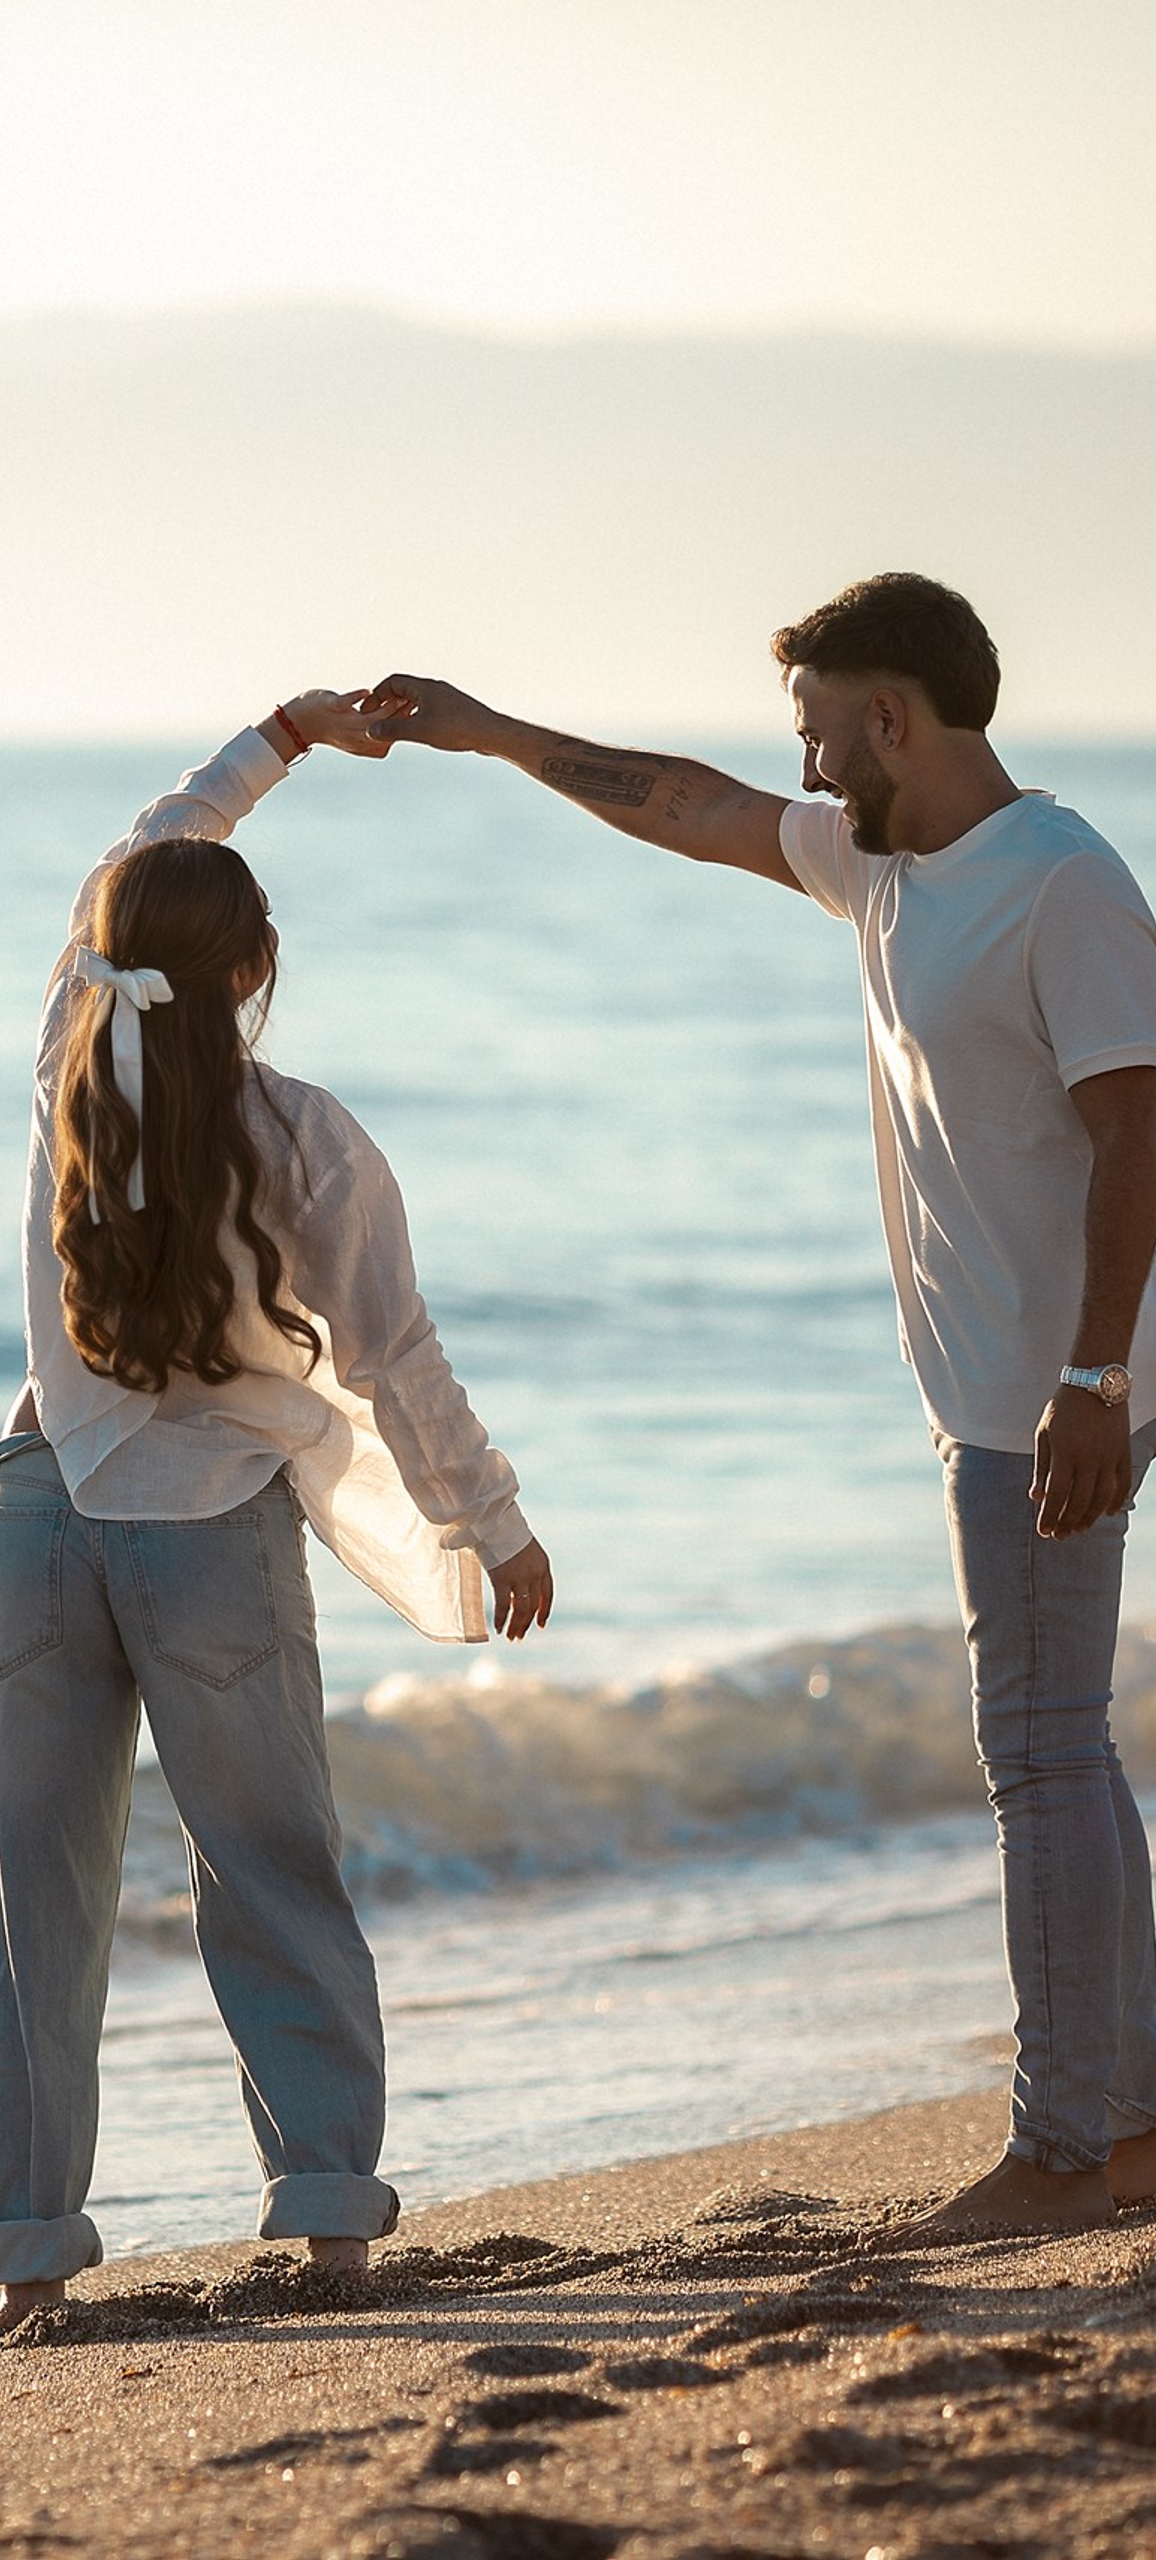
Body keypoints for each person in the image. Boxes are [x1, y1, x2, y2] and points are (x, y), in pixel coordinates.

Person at [362, 573, 1156, 2237]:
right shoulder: (883, 862)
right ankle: (1121, 2120)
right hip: (1015, 1383)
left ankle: (1068, 2148)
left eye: (818, 724)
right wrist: (489, 730)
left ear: (896, 717)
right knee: (1061, 1749)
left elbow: (1141, 1133)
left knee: (1039, 1751)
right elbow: (691, 807)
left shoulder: (1062, 885)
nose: (797, 760)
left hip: (1056, 1389)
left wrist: (1096, 1376)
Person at [0, 687, 554, 2332]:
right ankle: (326, 2222)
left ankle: (27, 2263)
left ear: (107, 953)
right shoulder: (307, 1137)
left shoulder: (63, 1055)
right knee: (272, 1871)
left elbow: (145, 853)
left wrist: (273, 742)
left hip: (36, 1517)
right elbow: (398, 1354)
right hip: (208, 1529)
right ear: (254, 976)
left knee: (32, 1903)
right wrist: (490, 1523)